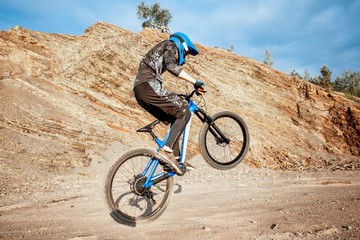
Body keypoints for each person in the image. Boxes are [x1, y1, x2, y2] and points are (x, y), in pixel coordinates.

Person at [133, 32, 205, 170]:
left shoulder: (162, 49)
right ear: (182, 47)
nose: (185, 58)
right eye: (187, 54)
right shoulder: (170, 45)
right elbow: (172, 66)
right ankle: (166, 151)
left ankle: (175, 160)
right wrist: (194, 82)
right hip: (148, 85)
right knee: (184, 111)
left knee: (176, 115)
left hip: (141, 90)